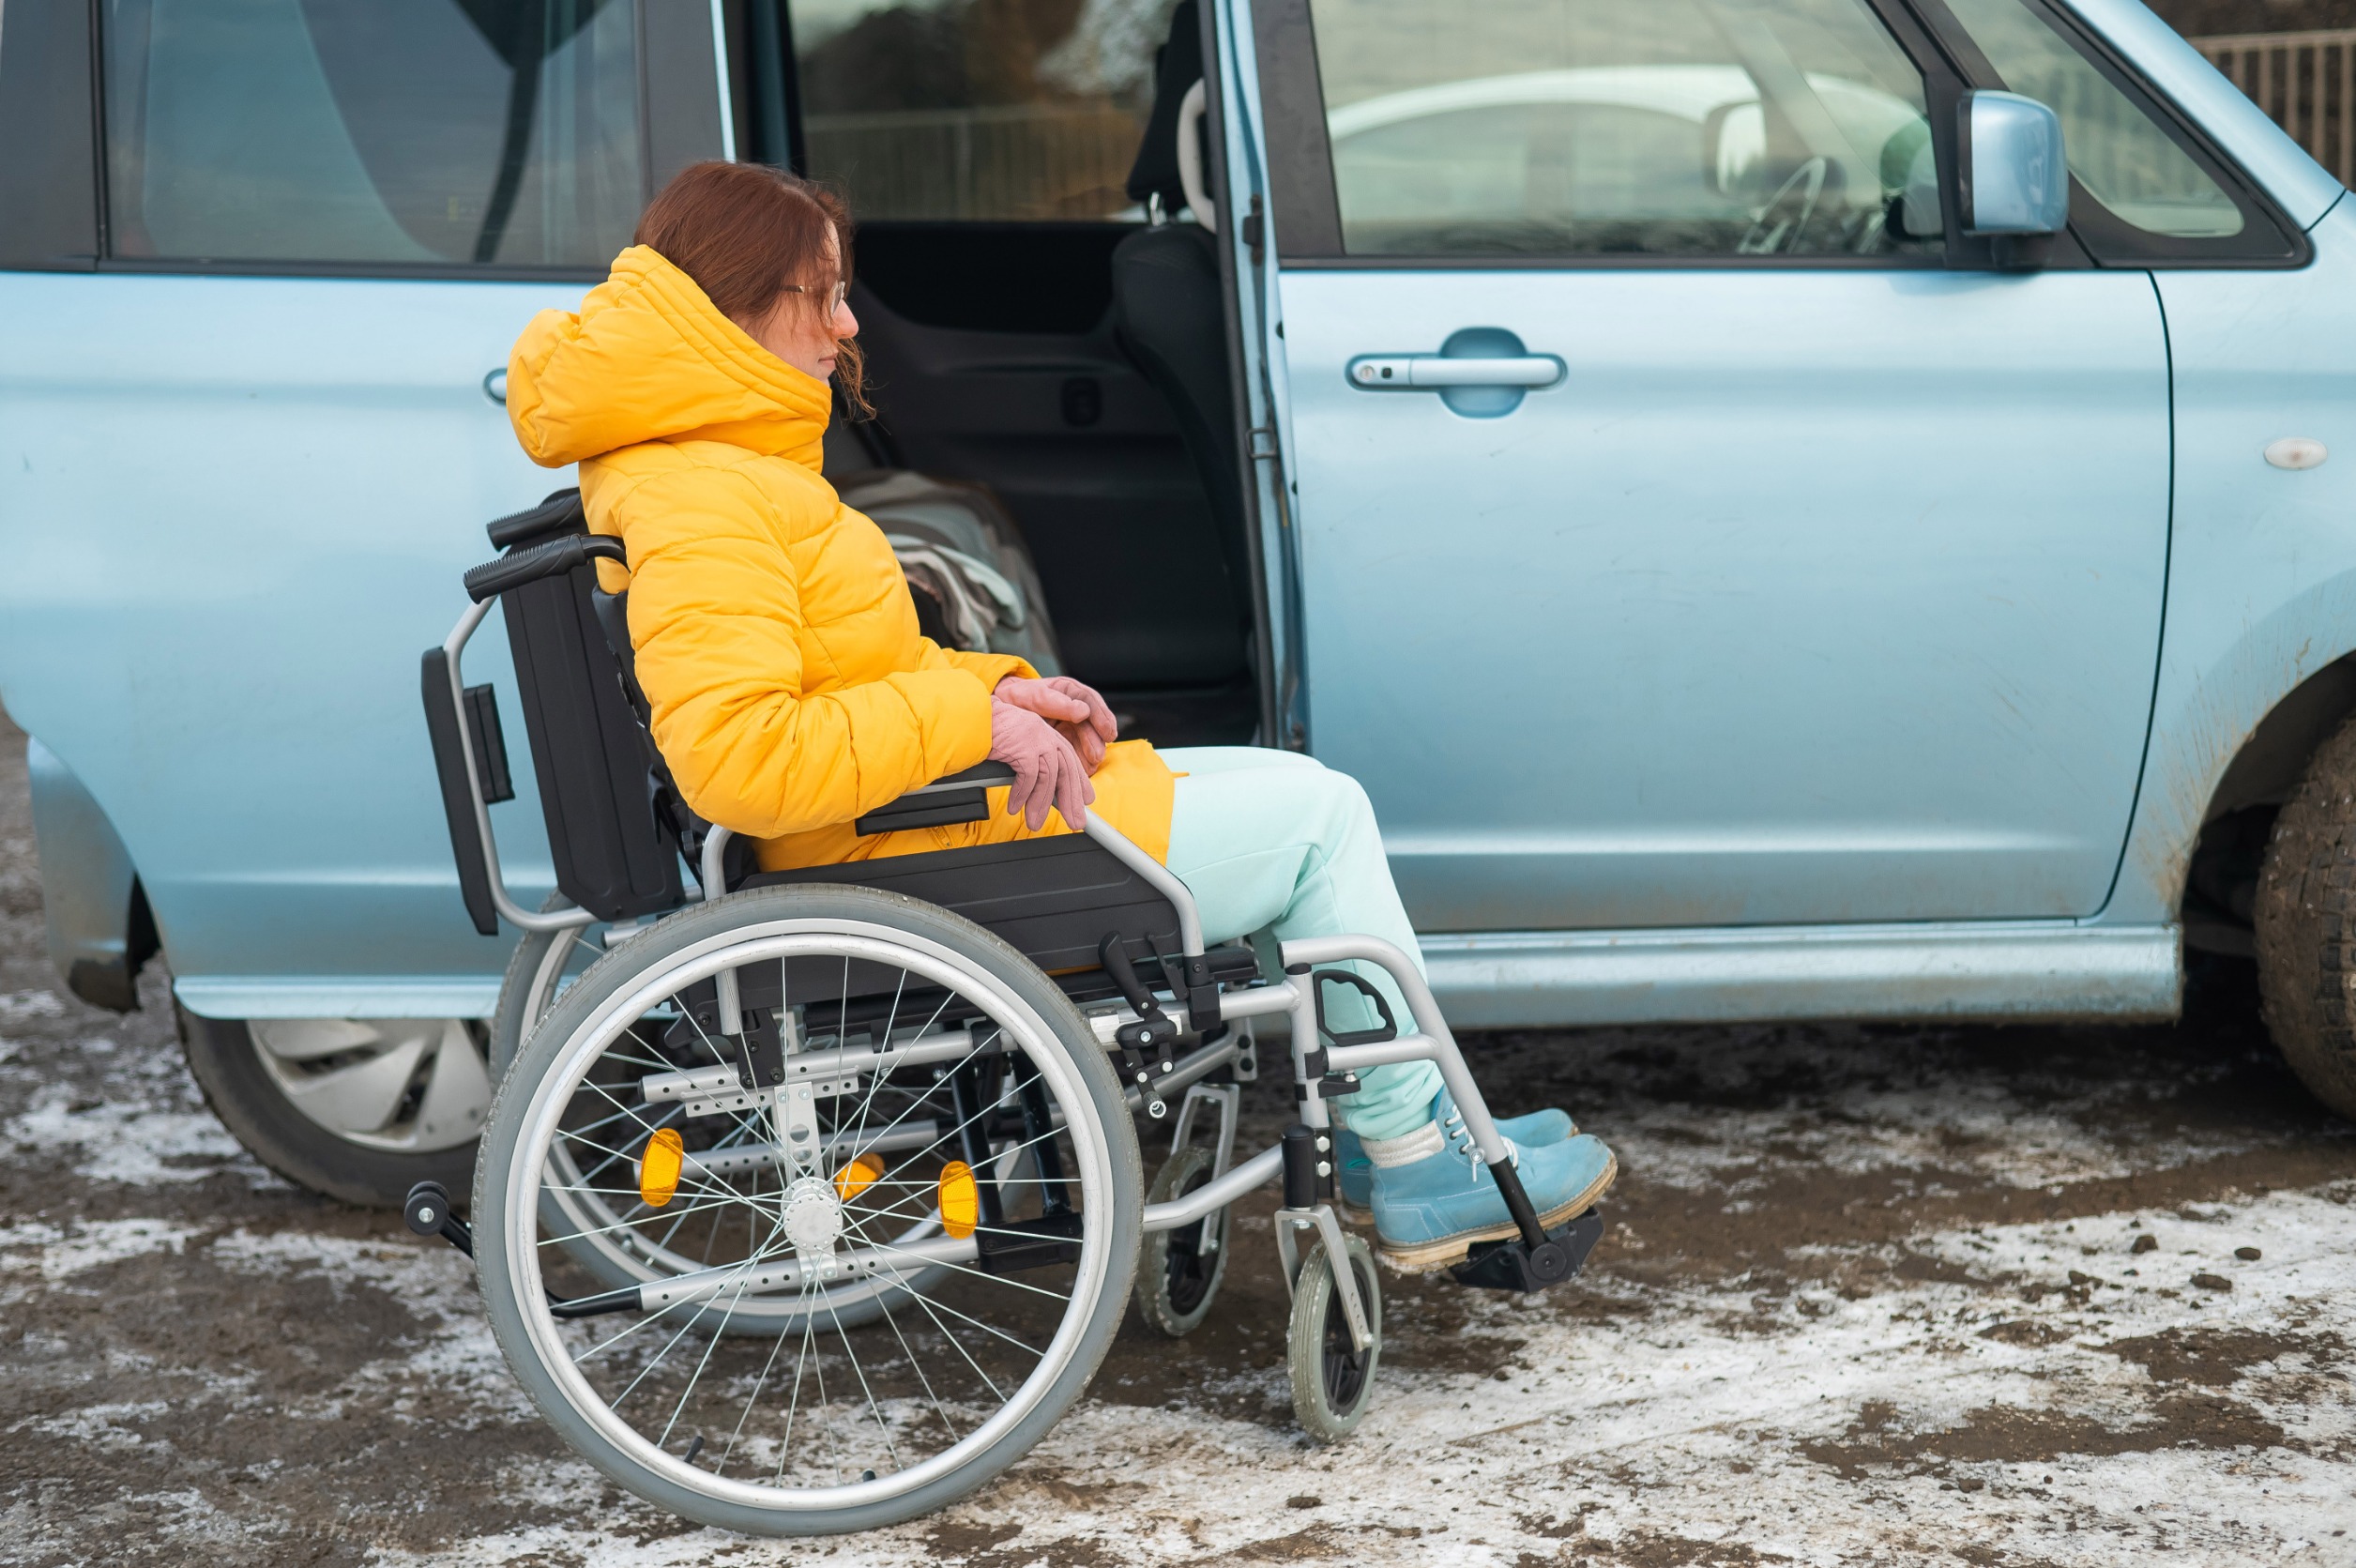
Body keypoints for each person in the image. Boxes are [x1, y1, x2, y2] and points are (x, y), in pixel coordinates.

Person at [504, 161, 1615, 1271]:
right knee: (1322, 820)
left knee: (1289, 791)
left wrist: (996, 688)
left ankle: (1396, 1130)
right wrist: (970, 725)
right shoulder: (707, 493)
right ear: (738, 304)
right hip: (902, 846)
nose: (845, 324)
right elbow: (741, 760)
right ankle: (1417, 1159)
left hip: (913, 818)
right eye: (821, 293)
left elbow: (846, 675)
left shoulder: (719, 465)